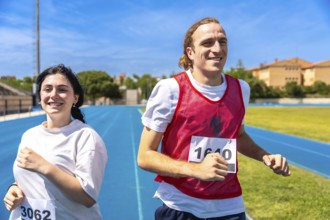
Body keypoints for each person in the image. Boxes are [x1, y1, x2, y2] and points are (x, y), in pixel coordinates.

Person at [137, 17, 291, 220]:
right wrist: (195, 170)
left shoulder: (241, 88)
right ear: (190, 52)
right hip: (181, 204)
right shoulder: (170, 89)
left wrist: (264, 156)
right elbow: (144, 156)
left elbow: (239, 135)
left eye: (222, 41)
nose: (217, 49)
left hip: (230, 206)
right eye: (207, 43)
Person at [3, 64, 108, 220]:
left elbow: (87, 197)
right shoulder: (29, 136)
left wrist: (44, 166)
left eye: (62, 89)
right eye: (47, 89)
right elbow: (27, 179)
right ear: (39, 97)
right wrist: (14, 189)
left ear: (75, 98)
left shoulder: (86, 137)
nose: (54, 95)